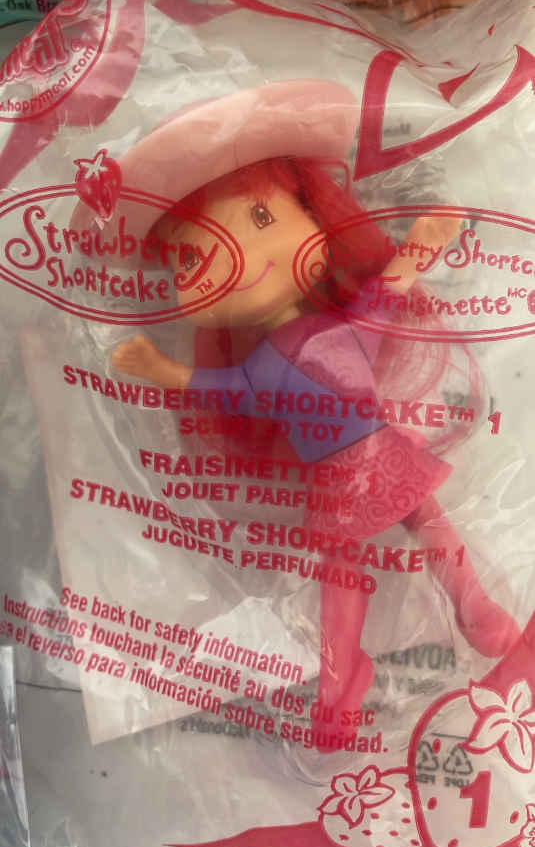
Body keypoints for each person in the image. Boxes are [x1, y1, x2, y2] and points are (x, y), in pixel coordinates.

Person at [106, 82, 520, 751]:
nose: (242, 257)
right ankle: (342, 672)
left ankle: (472, 607)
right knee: (345, 568)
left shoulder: (338, 330)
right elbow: (224, 388)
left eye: (262, 216)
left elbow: (387, 292)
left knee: (424, 527)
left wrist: (421, 244)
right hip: (334, 474)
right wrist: (159, 369)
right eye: (190, 254)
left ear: (313, 214)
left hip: (378, 451)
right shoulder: (265, 363)